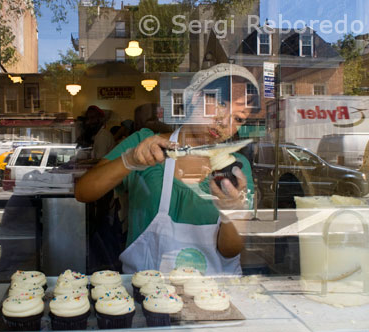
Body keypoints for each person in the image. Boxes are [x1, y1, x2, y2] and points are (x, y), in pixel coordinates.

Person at [75, 64, 258, 275]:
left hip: (210, 297)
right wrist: (130, 160)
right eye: (221, 104)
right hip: (147, 293)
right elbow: (84, 192)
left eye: (238, 119)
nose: (224, 122)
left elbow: (229, 251)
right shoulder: (145, 145)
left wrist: (231, 212)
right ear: (196, 97)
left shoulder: (236, 170)